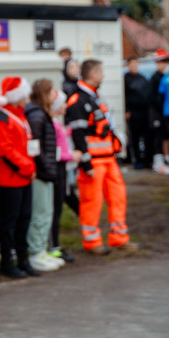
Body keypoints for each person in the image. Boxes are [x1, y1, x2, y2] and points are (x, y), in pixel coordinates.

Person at [65, 59, 136, 255]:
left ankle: (119, 236)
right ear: (92, 74)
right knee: (91, 201)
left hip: (108, 157)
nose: (103, 76)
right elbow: (77, 133)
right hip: (93, 161)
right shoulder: (77, 100)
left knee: (118, 196)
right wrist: (86, 161)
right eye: (101, 72)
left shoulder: (95, 97)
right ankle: (92, 241)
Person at [0, 77, 38, 278]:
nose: (27, 98)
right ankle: (7, 262)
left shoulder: (20, 115)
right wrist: (26, 166)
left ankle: (23, 259)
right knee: (9, 223)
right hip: (10, 179)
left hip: (23, 176)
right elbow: (5, 150)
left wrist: (28, 167)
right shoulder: (3, 118)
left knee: (24, 220)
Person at [25, 79, 64, 272]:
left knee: (47, 211)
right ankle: (35, 251)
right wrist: (46, 166)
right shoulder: (37, 115)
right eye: (51, 92)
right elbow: (35, 146)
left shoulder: (41, 114)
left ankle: (41, 249)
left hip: (47, 171)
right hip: (41, 172)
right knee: (40, 213)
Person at [49, 90, 78, 262]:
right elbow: (56, 151)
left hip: (63, 169)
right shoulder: (52, 123)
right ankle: (53, 246)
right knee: (55, 209)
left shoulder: (56, 122)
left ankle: (55, 245)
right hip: (58, 169)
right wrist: (71, 156)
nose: (66, 106)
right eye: (63, 103)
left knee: (59, 207)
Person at [123, 56, 153, 169]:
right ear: (128, 65)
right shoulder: (125, 79)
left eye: (136, 64)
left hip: (144, 112)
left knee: (147, 137)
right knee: (134, 137)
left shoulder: (143, 78)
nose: (134, 66)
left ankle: (147, 160)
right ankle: (137, 160)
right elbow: (124, 96)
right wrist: (126, 110)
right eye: (132, 64)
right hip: (133, 112)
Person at [148, 49, 169, 173]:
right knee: (157, 137)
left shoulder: (165, 77)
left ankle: (164, 159)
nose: (162, 65)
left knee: (164, 136)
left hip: (163, 112)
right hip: (156, 113)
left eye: (164, 62)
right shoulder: (155, 78)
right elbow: (154, 98)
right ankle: (157, 162)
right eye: (160, 62)